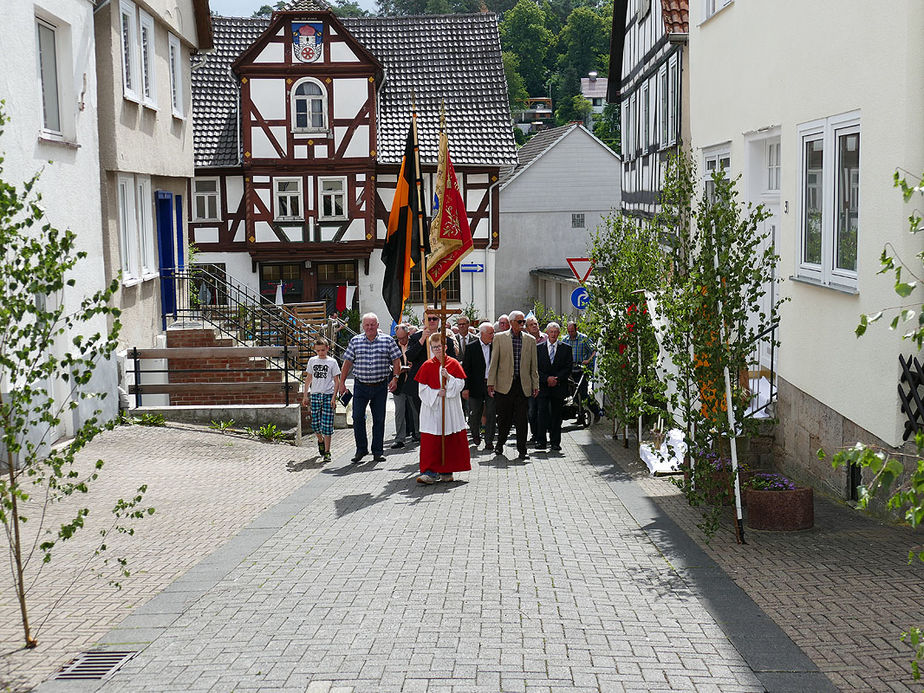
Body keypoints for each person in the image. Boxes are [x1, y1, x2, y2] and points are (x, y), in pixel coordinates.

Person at [339, 313, 402, 463]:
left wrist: (395, 378)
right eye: (367, 325)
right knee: (357, 417)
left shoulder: (387, 340)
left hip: (380, 386)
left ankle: (378, 451)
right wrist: (341, 383)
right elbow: (347, 362)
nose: (369, 327)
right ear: (363, 326)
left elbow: (396, 360)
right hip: (360, 385)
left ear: (377, 325)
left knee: (379, 419)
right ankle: (361, 449)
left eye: (372, 324)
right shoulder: (355, 341)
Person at [415, 333, 472, 484]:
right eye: (434, 348)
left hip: (450, 407)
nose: (437, 350)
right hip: (433, 408)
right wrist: (436, 393)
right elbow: (422, 390)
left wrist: (449, 377)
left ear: (445, 347)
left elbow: (460, 385)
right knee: (431, 440)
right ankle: (429, 472)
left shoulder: (453, 364)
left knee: (448, 438)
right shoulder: (426, 366)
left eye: (439, 347)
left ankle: (446, 471)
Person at [487, 310, 539, 460]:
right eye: (520, 322)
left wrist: (535, 385)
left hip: (523, 385)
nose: (523, 325)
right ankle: (500, 444)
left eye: (524, 322)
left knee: (522, 419)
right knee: (504, 419)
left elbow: (533, 366)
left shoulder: (530, 340)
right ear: (511, 323)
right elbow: (494, 362)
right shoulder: (499, 338)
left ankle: (522, 450)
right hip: (504, 385)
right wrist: (491, 382)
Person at [302, 337, 341, 462]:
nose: (320, 353)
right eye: (318, 351)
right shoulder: (312, 361)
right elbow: (308, 378)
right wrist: (305, 395)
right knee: (315, 424)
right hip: (315, 394)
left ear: (327, 349)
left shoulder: (332, 362)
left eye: (323, 350)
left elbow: (336, 380)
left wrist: (334, 397)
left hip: (328, 394)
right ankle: (320, 441)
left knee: (327, 424)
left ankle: (327, 451)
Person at [536, 323, 572, 451]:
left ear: (559, 333)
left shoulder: (566, 348)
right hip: (543, 387)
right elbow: (535, 368)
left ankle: (555, 442)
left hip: (558, 386)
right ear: (547, 332)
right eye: (551, 332)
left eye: (556, 332)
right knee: (542, 414)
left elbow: (568, 367)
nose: (553, 334)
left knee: (557, 415)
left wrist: (557, 378)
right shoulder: (538, 348)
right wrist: (546, 379)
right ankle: (541, 441)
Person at [461, 322, 495, 450]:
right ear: (482, 334)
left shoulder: (496, 346)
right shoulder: (471, 347)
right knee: (475, 413)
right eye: (490, 333)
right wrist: (465, 388)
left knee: (491, 413)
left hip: (491, 385)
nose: (493, 335)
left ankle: (489, 440)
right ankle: (475, 434)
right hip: (475, 386)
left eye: (493, 333)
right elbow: (466, 369)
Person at [562, 320, 602, 425]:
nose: (570, 333)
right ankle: (579, 416)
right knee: (573, 394)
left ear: (576, 329)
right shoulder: (565, 340)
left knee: (583, 394)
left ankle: (597, 411)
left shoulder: (583, 339)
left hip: (582, 370)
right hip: (570, 371)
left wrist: (588, 360)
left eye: (572, 331)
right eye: (569, 331)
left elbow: (594, 350)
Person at [391, 324, 417, 449]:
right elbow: (389, 363)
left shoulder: (414, 343)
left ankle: (417, 434)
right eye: (398, 338)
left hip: (412, 382)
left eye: (403, 338)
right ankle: (400, 438)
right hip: (399, 382)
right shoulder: (393, 345)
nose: (400, 341)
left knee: (415, 409)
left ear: (408, 334)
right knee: (399, 411)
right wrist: (396, 370)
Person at [525, 315, 548, 444]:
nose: (534, 326)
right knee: (532, 411)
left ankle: (542, 435)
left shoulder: (545, 338)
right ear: (527, 328)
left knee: (543, 410)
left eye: (536, 323)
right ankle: (535, 434)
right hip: (530, 381)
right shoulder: (525, 340)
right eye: (531, 324)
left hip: (544, 381)